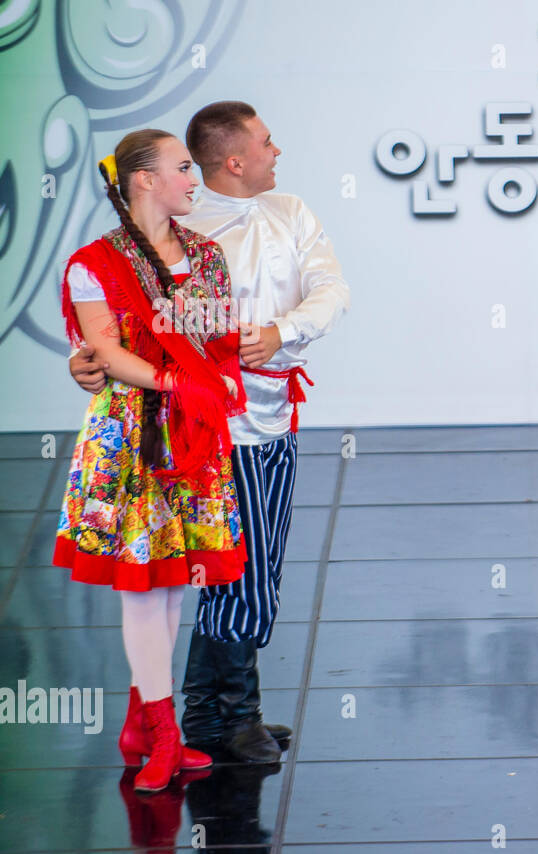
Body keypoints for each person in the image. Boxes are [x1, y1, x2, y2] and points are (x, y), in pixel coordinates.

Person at [70, 101, 348, 761]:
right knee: (232, 570)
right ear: (236, 159)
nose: (276, 152)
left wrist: (282, 331)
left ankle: (219, 710)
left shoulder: (289, 212)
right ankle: (219, 714)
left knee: (258, 567)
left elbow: (331, 288)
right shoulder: (185, 239)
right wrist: (92, 360)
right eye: (266, 142)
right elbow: (133, 323)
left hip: (273, 419)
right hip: (209, 429)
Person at [57, 130, 247, 791]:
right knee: (145, 580)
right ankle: (163, 733)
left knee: (171, 577)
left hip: (190, 435)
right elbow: (102, 350)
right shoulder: (95, 263)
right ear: (143, 179)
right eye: (183, 167)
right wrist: (175, 383)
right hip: (134, 433)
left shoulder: (208, 256)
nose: (195, 178)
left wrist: (220, 375)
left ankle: (142, 722)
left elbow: (218, 339)